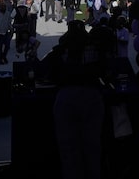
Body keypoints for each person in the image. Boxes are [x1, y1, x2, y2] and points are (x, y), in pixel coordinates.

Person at [50, 20, 107, 179]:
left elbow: (51, 73)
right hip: (91, 96)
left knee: (69, 149)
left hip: (66, 96)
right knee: (93, 146)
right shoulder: (94, 50)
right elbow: (104, 69)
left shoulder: (61, 50)